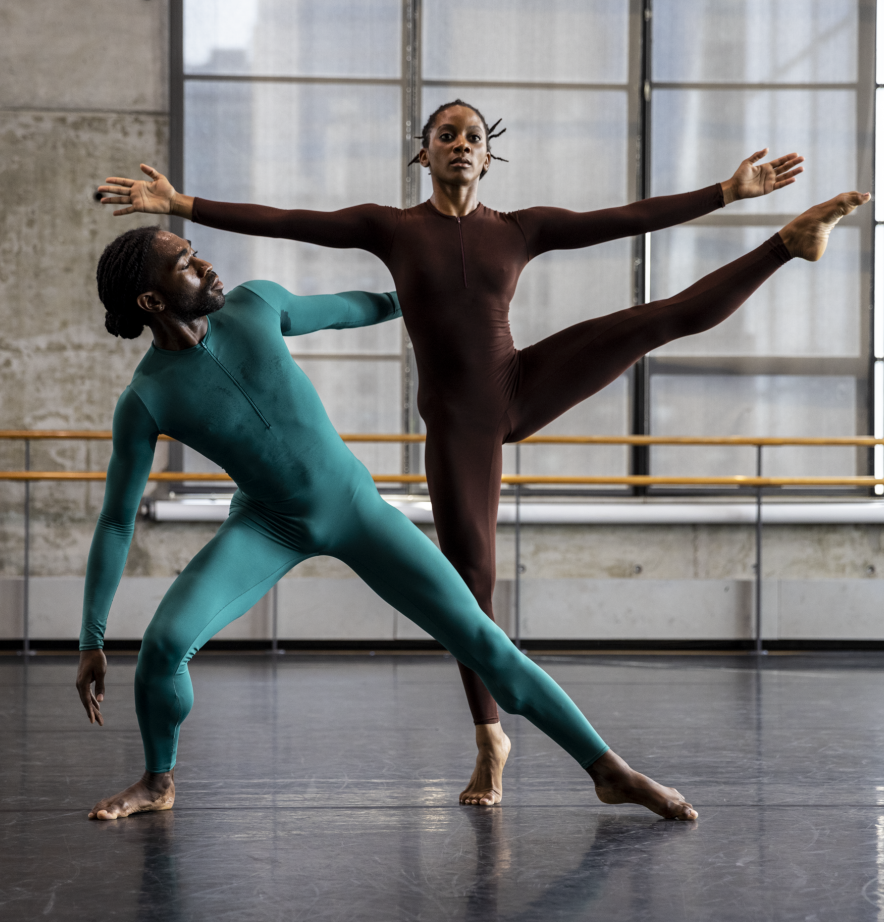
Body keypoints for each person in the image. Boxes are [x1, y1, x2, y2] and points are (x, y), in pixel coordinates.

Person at [96, 100, 868, 806]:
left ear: (487, 158)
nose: (462, 144)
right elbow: (292, 220)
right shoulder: (389, 231)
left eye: (475, 137)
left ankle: (783, 246)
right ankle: (482, 741)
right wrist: (182, 202)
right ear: (422, 153)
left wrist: (725, 194)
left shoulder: (512, 229)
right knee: (468, 586)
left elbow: (624, 218)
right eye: (447, 135)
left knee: (651, 322)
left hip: (505, 393)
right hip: (402, 455)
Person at [74, 225, 700, 821]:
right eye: (185, 263)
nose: (206, 264)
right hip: (268, 526)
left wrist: (423, 297)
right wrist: (92, 639)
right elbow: (115, 524)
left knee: (485, 645)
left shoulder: (255, 305)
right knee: (161, 650)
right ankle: (160, 780)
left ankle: (608, 770)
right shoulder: (147, 399)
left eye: (196, 251)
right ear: (152, 299)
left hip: (355, 509)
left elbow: (356, 307)